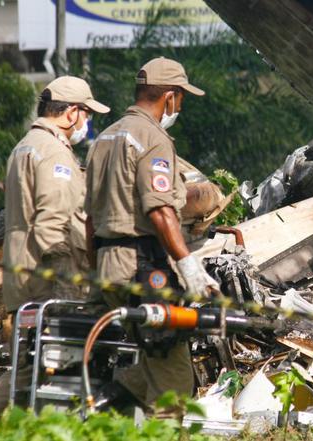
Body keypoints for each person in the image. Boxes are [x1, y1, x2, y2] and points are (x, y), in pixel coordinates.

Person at [0, 76, 109, 431]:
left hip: (22, 274)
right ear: (70, 113)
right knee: (53, 365)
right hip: (48, 278)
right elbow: (53, 222)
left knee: (27, 369)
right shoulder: (55, 153)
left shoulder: (25, 146)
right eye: (86, 114)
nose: (86, 123)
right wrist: (74, 278)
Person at [84, 57, 219, 409]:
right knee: (174, 379)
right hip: (143, 270)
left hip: (109, 268)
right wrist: (189, 266)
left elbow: (88, 218)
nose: (180, 105)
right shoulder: (153, 139)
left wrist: (93, 274)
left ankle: (107, 404)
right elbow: (159, 209)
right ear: (170, 96)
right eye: (181, 97)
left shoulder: (105, 137)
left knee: (154, 359)